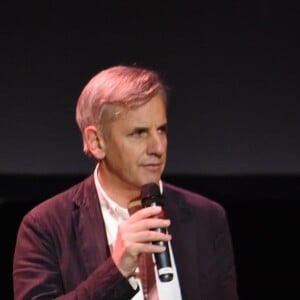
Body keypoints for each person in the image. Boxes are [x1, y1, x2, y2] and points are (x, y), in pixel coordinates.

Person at [13, 65, 239, 300]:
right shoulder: (44, 227)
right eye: (139, 133)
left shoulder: (207, 218)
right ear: (96, 142)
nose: (158, 148)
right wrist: (116, 271)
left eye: (161, 130)